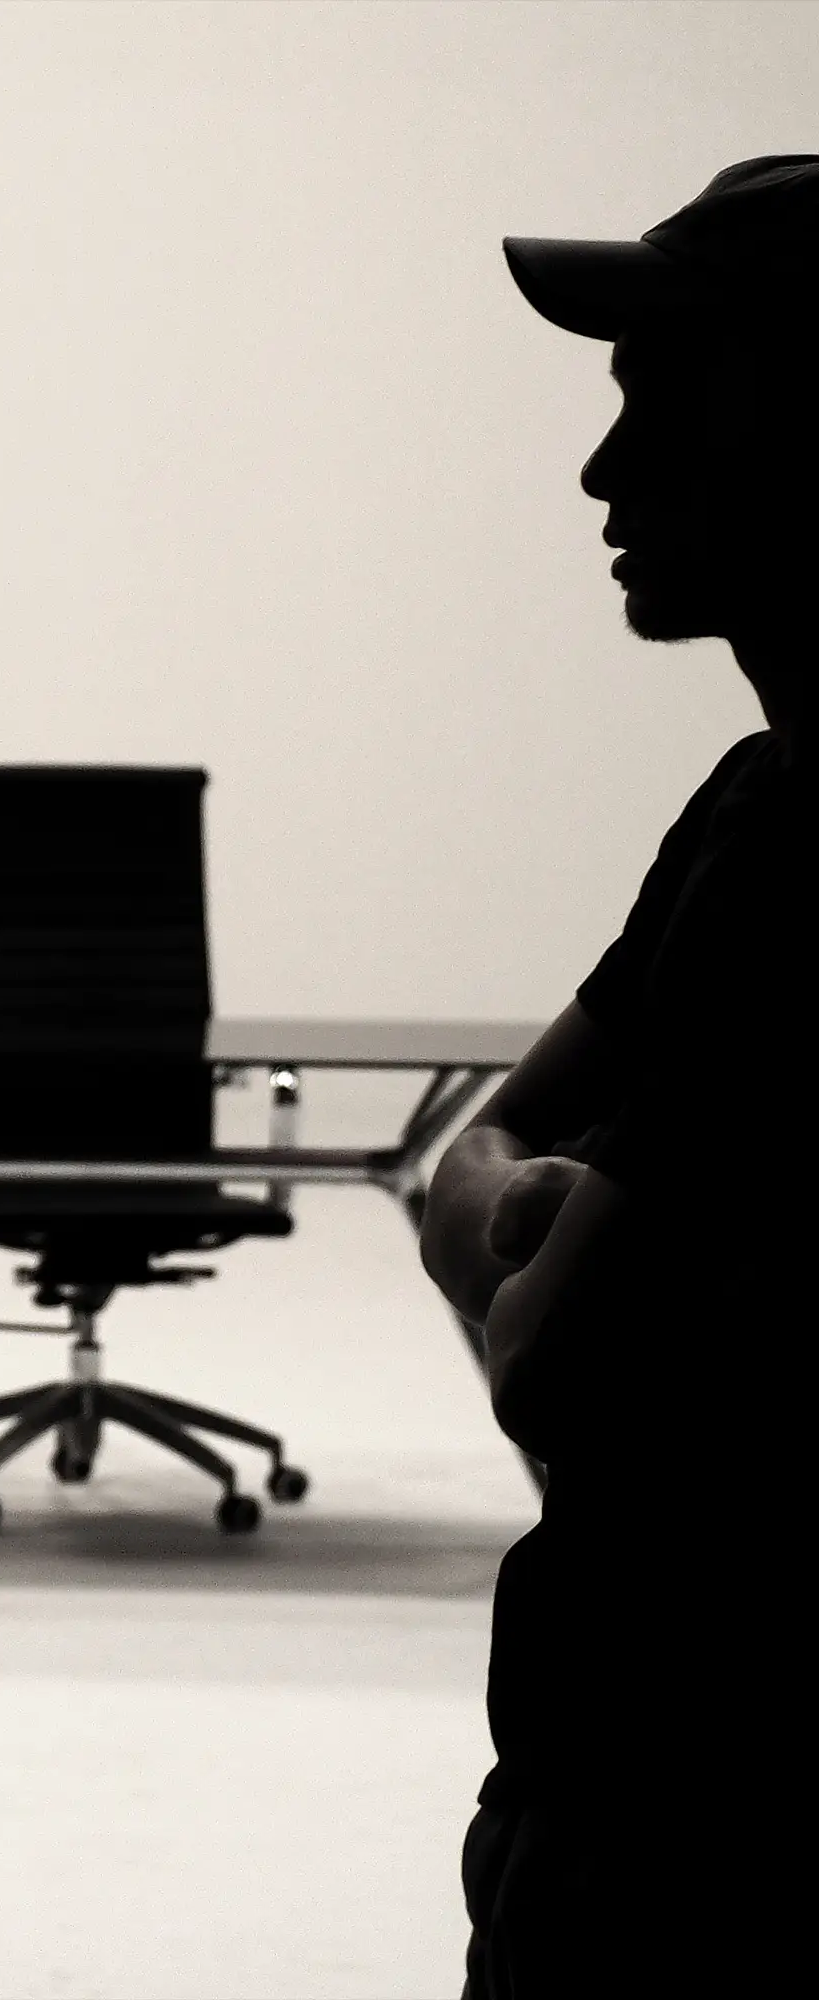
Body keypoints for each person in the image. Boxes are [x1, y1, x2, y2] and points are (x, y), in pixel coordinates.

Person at [419, 157, 815, 1996]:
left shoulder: (816, 864)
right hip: (616, 1784)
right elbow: (466, 1160)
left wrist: (532, 1250)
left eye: (666, 404)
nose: (602, 473)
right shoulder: (747, 803)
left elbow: (549, 1363)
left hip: (699, 1835)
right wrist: (540, 1212)